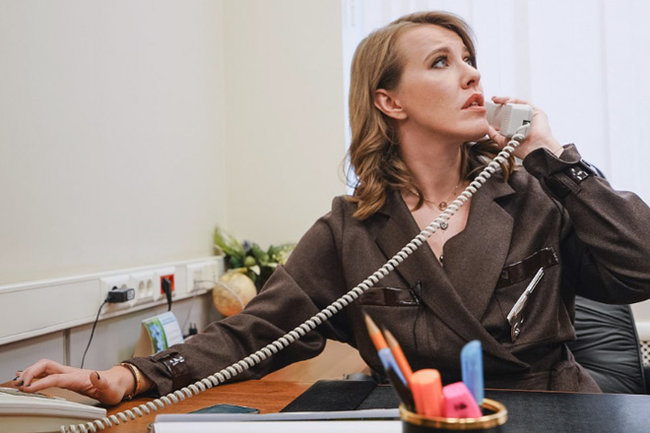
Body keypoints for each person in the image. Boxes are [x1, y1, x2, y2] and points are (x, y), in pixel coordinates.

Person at [14, 11, 650, 404]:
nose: (471, 76)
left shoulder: (537, 193)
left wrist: (552, 157)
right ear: (389, 102)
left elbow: (641, 265)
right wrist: (128, 377)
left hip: (552, 415)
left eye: (470, 61)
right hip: (417, 420)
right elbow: (254, 332)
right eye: (441, 62)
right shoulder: (352, 229)